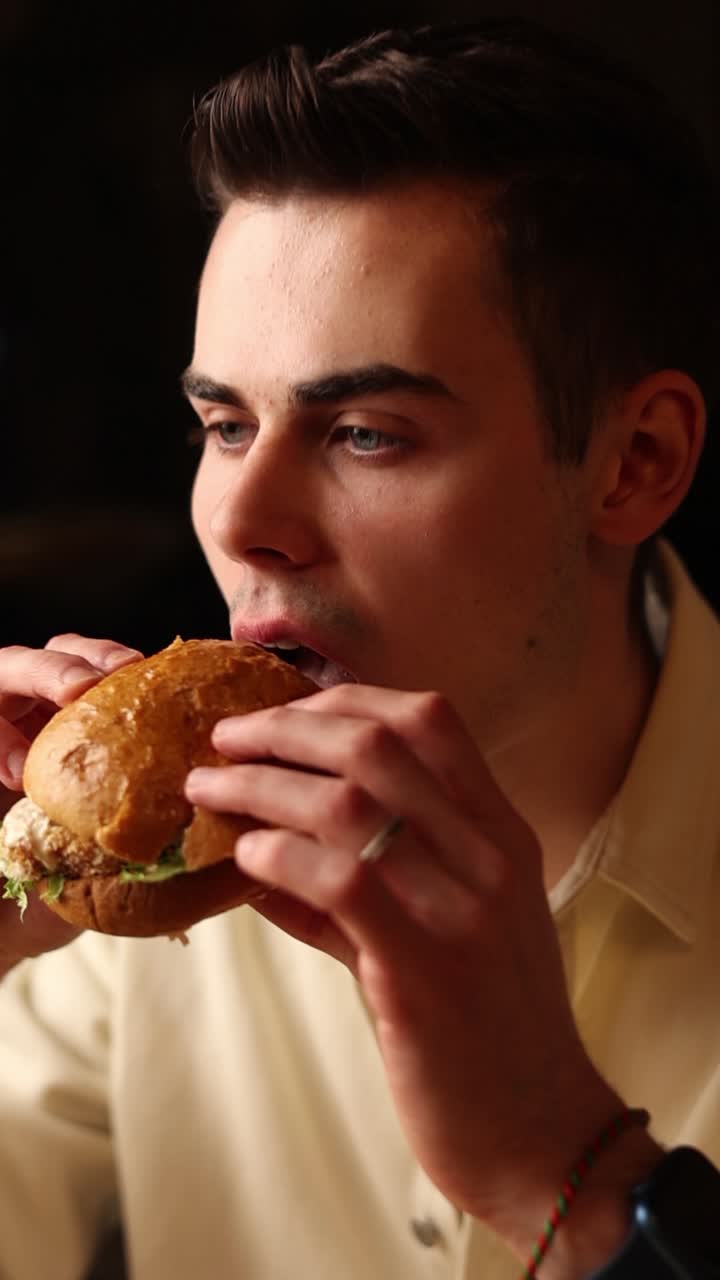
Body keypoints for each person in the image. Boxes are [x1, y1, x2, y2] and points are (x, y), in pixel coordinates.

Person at [1, 17, 718, 1280]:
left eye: (366, 433)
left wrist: (577, 1178)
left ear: (634, 463)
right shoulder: (141, 884)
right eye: (224, 424)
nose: (240, 521)